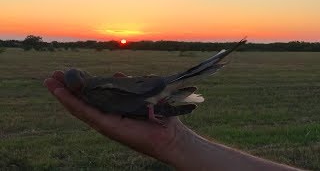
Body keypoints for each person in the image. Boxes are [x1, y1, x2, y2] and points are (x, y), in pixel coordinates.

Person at [44, 71, 299, 171]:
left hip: (153, 97)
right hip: (153, 100)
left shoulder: (96, 90)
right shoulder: (94, 90)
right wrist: (177, 141)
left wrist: (176, 141)